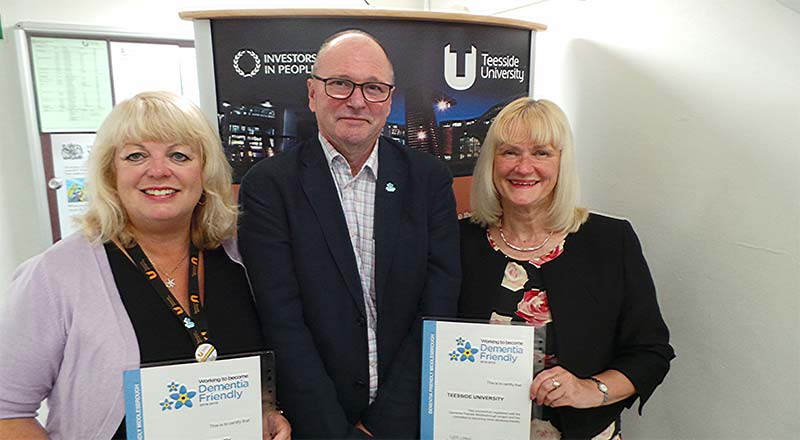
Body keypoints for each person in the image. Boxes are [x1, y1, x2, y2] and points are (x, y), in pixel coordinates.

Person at [0, 92, 290, 440]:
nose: (158, 171)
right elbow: (8, 413)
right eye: (136, 155)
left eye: (178, 155)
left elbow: (257, 375)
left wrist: (268, 414)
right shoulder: (55, 275)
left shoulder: (243, 259)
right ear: (111, 172)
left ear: (205, 172)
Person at [238, 30, 461, 439]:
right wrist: (332, 430)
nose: (357, 100)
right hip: (314, 424)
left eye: (373, 88)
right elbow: (280, 317)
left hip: (409, 418)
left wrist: (387, 422)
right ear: (312, 93)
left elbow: (438, 303)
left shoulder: (428, 180)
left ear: (389, 99)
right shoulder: (269, 186)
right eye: (340, 83)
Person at [458, 97, 674, 439]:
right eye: (510, 152)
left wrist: (592, 390)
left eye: (542, 152)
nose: (524, 167)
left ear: (562, 162)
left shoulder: (609, 241)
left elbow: (651, 352)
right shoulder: (457, 242)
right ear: (491, 163)